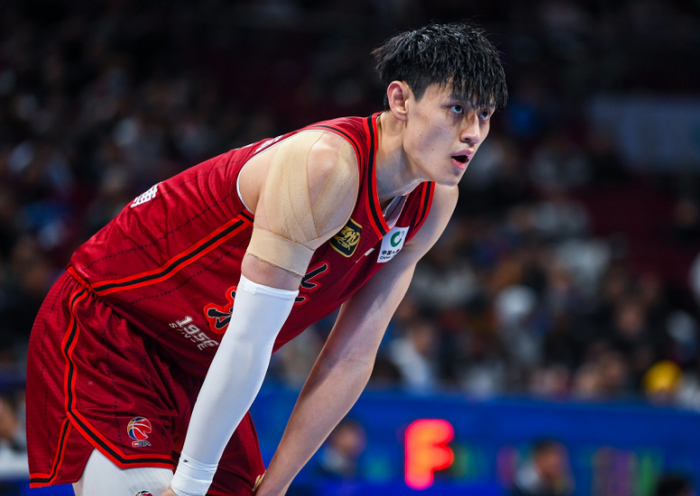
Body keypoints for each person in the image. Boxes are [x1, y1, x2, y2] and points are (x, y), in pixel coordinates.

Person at [25, 22, 507, 496]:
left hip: (199, 364)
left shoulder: (434, 202)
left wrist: (276, 484)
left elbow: (352, 356)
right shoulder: (326, 165)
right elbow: (250, 336)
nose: (472, 133)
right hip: (112, 327)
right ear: (400, 100)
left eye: (484, 115)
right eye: (456, 109)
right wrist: (189, 489)